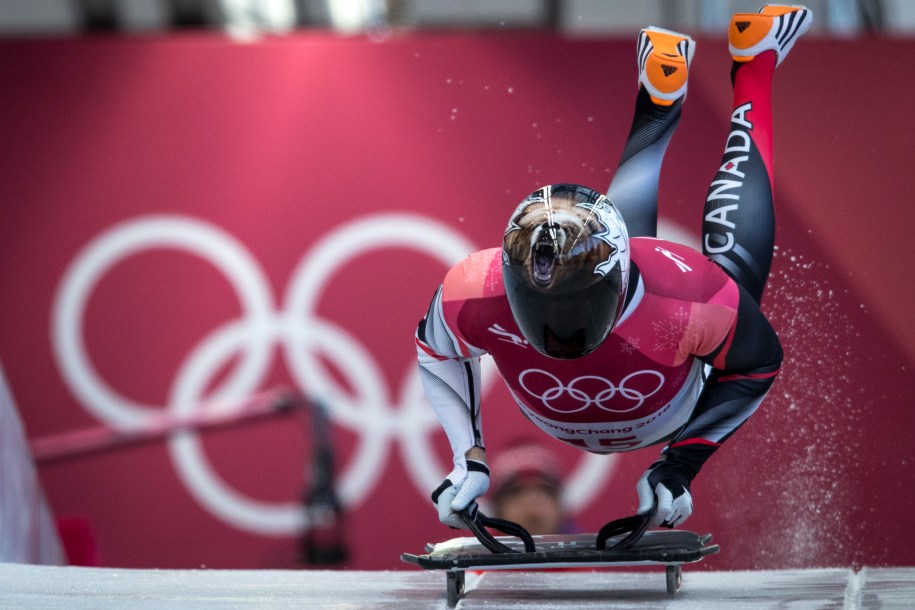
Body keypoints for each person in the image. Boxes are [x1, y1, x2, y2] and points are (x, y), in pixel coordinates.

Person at [416, 5, 811, 532]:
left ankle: (751, 67)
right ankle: (666, 94)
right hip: (650, 387)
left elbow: (758, 364)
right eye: (542, 306)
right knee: (676, 271)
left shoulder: (689, 298)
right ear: (509, 283)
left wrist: (680, 464)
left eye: (581, 303)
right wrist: (467, 457)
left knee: (733, 292)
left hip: (662, 381)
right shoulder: (472, 291)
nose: (563, 331)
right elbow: (437, 351)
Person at [488, 440, 569, 535]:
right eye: (516, 492)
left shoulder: (588, 548)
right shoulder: (475, 549)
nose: (531, 504)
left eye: (544, 490)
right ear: (497, 509)